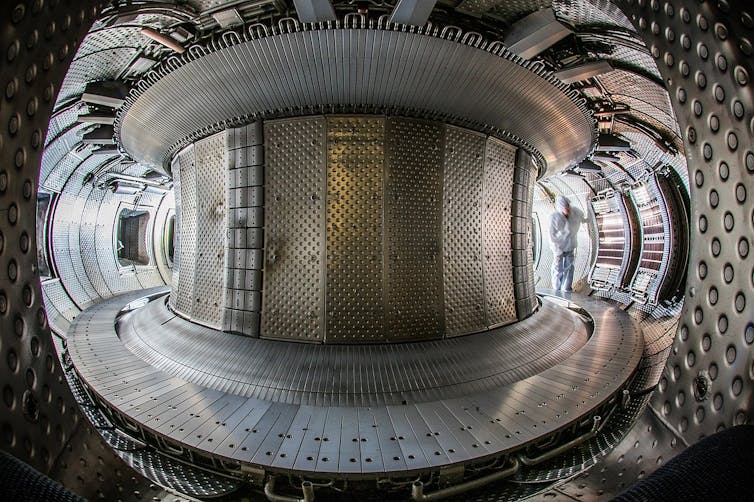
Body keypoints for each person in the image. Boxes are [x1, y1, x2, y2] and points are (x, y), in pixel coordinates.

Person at [549, 195, 586, 292]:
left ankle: (566, 289)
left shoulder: (575, 213)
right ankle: (556, 289)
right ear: (560, 208)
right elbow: (551, 235)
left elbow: (583, 218)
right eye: (565, 208)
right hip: (558, 248)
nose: (567, 209)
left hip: (570, 246)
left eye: (568, 207)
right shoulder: (554, 217)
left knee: (569, 268)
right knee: (558, 269)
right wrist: (557, 249)